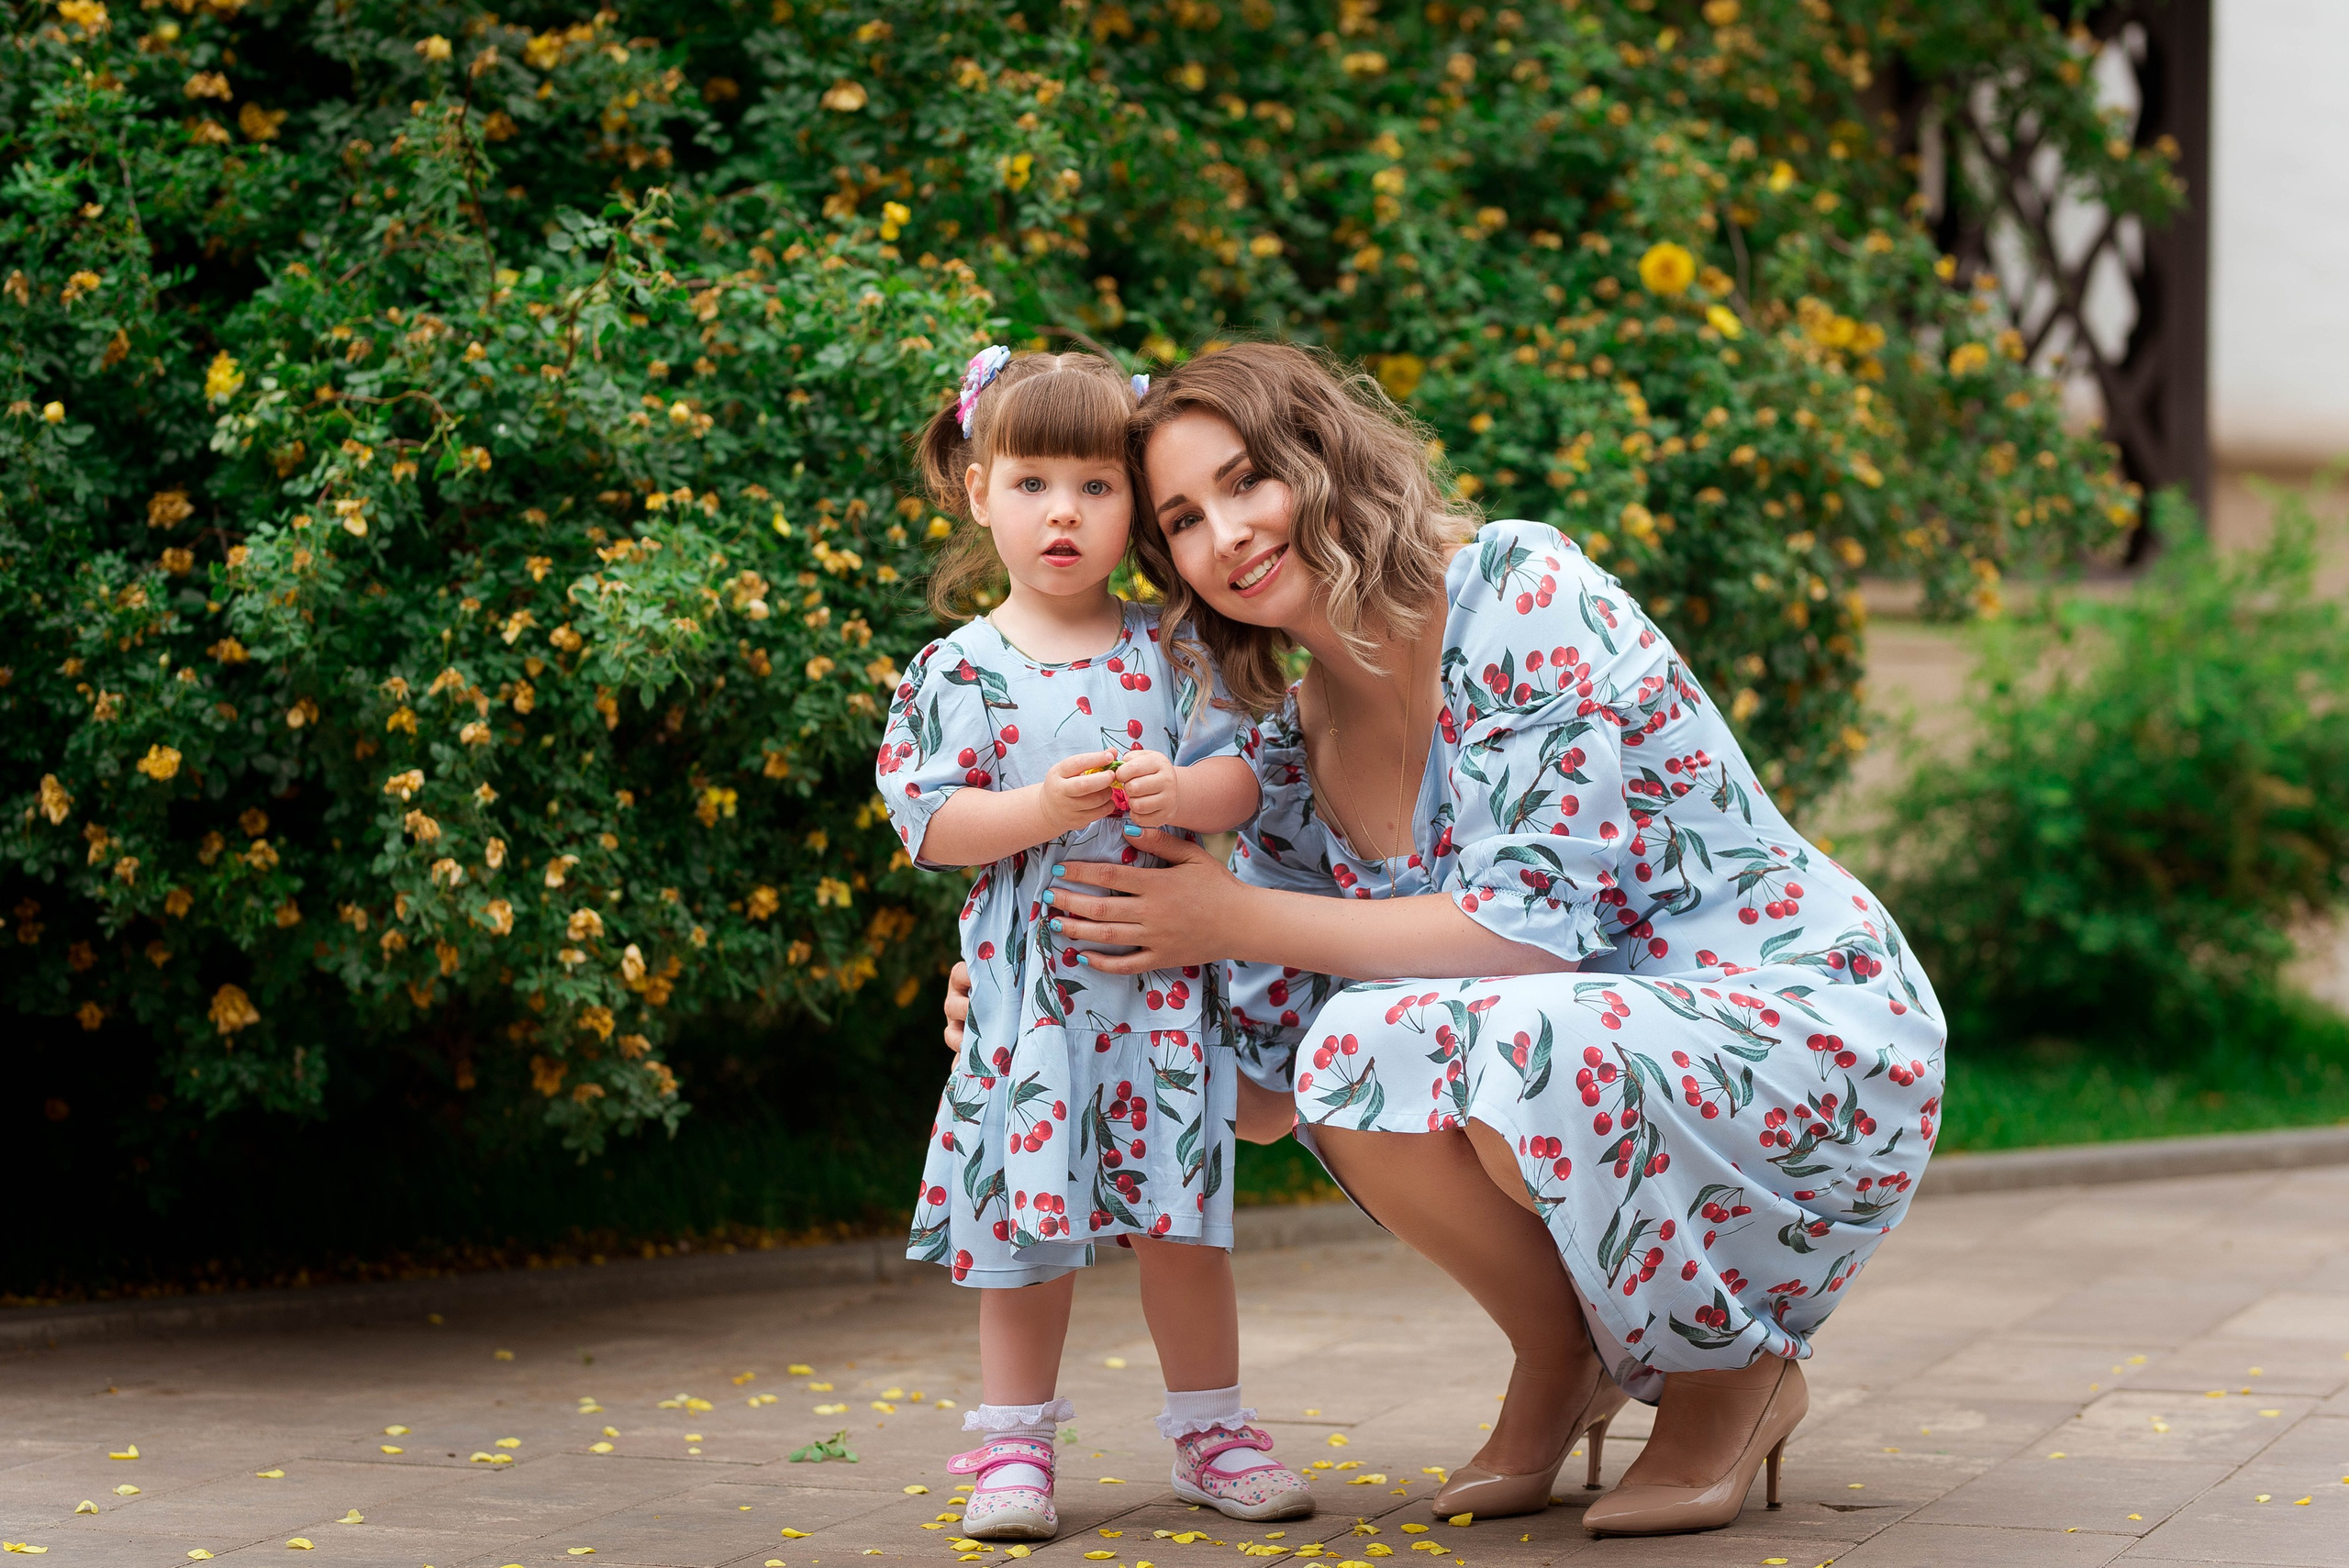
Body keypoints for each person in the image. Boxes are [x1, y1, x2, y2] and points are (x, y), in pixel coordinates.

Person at [943, 341, 1946, 1538]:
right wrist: (1041, 1006)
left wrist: (1228, 915)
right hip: (1590, 1050)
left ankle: (1732, 1374)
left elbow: (1530, 936)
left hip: (1802, 1029)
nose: (1230, 532)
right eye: (1185, 521)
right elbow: (1267, 1094)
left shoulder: (1518, 590)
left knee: (1517, 1039)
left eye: (1249, 478)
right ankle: (1559, 1351)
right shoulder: (1287, 751)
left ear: (1322, 456)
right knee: (1348, 1052)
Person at [881, 347, 1315, 1541]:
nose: (1062, 512)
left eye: (1095, 485)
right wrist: (1039, 808)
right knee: (1028, 1238)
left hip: (1161, 994)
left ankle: (1214, 1431)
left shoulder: (1171, 651)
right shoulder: (959, 669)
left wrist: (1183, 790)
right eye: (1031, 484)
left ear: (1134, 507)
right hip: (1032, 1007)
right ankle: (1014, 1446)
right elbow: (928, 821)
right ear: (979, 492)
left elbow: (1251, 775)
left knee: (1184, 1227)